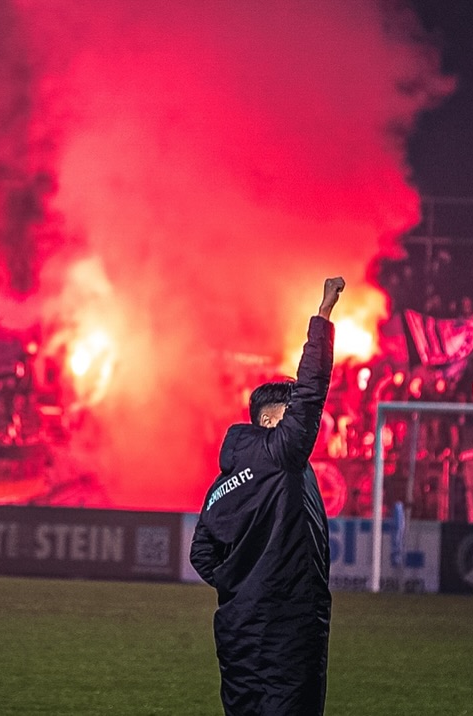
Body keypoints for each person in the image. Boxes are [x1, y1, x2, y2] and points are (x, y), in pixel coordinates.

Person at [190, 276, 344, 716]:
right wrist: (324, 314)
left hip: (238, 628)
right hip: (289, 627)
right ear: (273, 420)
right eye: (291, 414)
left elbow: (201, 554)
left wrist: (242, 587)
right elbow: (312, 389)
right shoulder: (283, 455)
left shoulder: (222, 484)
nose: (304, 424)